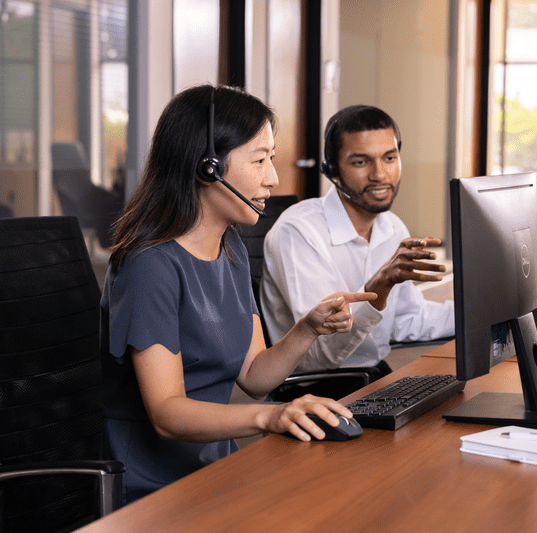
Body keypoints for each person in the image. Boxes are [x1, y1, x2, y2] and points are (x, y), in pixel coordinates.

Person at [100, 84, 375, 505]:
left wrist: (307, 330)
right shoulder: (150, 266)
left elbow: (255, 376)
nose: (274, 177)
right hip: (151, 492)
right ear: (207, 167)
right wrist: (271, 417)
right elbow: (167, 413)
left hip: (217, 473)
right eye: (260, 159)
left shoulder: (231, 250)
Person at [260, 105, 454, 387]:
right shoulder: (299, 231)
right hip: (311, 391)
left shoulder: (392, 227)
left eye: (389, 157)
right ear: (332, 170)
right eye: (361, 162)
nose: (379, 175)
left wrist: (491, 312)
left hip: (372, 379)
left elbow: (407, 319)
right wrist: (379, 287)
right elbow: (321, 355)